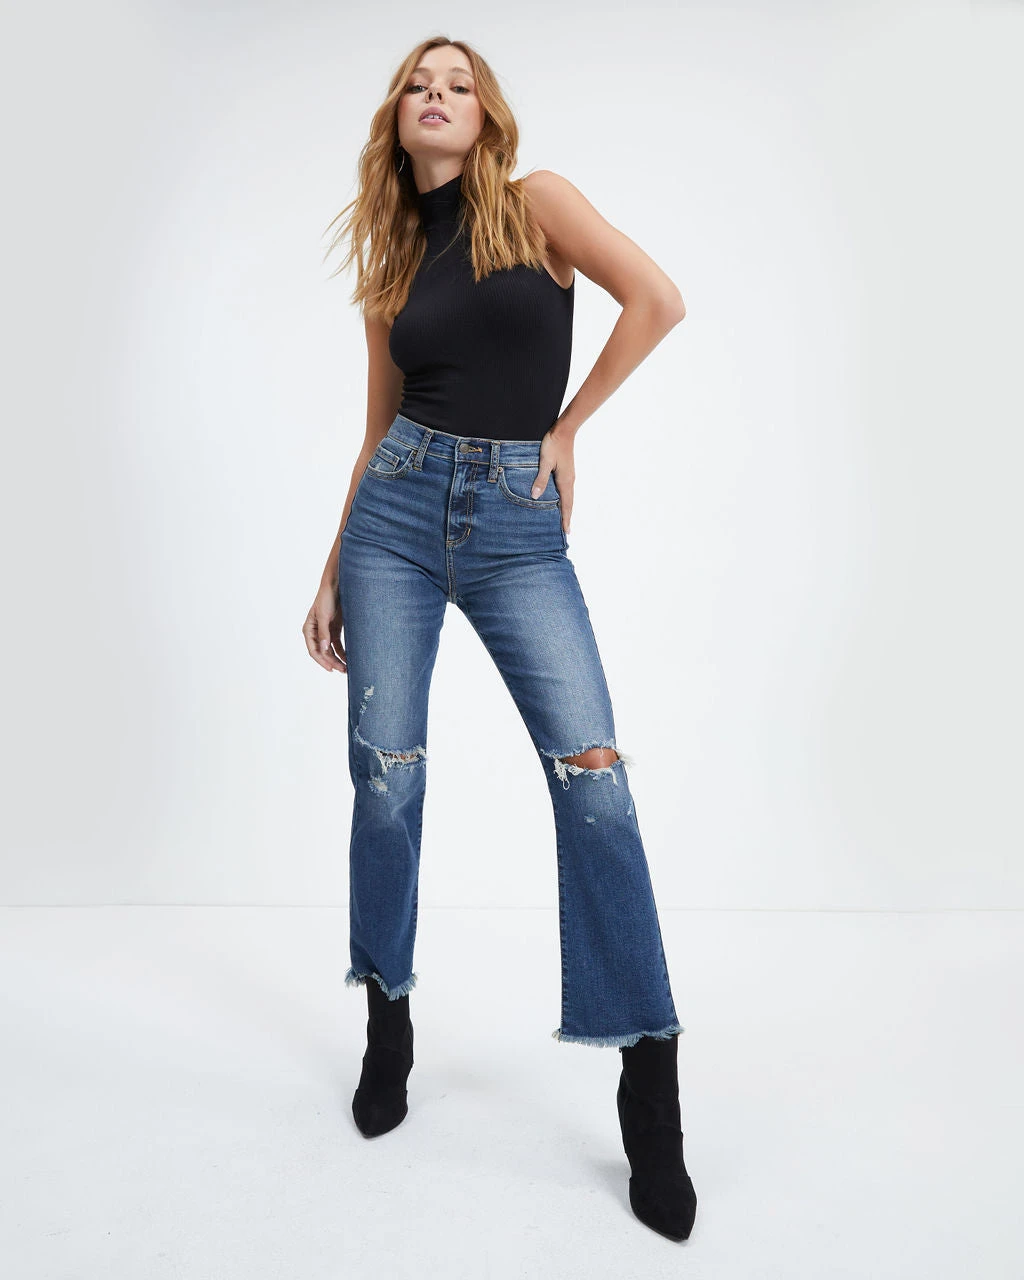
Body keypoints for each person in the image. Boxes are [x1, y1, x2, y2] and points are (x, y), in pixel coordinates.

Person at [303, 36, 697, 1243]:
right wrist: (332, 568)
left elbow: (657, 299)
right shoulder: (389, 264)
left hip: (519, 523)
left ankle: (649, 1082)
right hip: (394, 520)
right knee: (386, 779)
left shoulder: (538, 206)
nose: (436, 95)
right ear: (397, 118)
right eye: (417, 85)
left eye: (457, 83)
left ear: (485, 116)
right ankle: (388, 1015)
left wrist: (566, 429)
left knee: (596, 781)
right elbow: (376, 430)